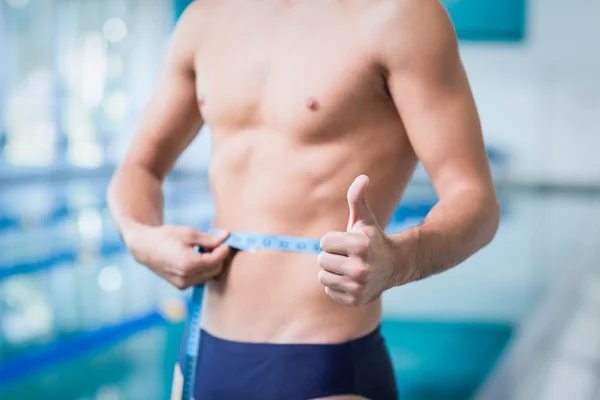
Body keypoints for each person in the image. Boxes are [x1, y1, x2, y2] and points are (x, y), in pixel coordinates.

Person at [107, 0, 500, 398]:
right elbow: (138, 167)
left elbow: (475, 199)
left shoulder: (400, 15)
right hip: (203, 352)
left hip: (324, 365)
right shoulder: (204, 18)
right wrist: (141, 237)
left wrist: (398, 261)